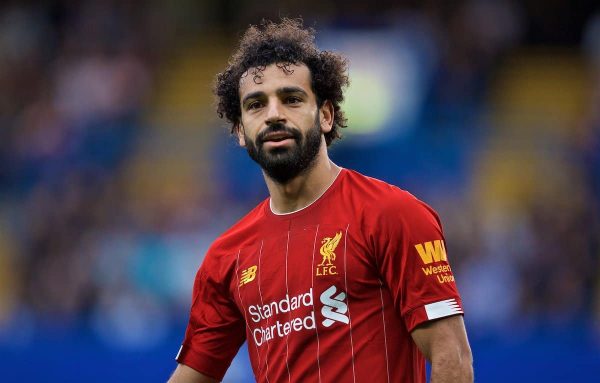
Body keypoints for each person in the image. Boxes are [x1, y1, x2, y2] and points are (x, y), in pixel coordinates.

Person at [169, 18, 473, 383]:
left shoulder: (393, 214)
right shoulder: (226, 257)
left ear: (326, 115)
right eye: (255, 105)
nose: (274, 114)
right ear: (239, 131)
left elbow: (451, 357)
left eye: (292, 99)